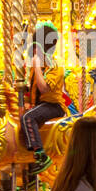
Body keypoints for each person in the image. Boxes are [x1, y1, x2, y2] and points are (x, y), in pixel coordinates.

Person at [19, 22, 68, 173]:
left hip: (54, 106)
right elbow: (32, 91)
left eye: (36, 48)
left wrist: (37, 67)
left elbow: (44, 88)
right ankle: (28, 161)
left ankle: (41, 155)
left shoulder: (54, 65)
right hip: (41, 105)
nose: (33, 51)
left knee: (28, 118)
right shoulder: (39, 67)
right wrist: (25, 102)